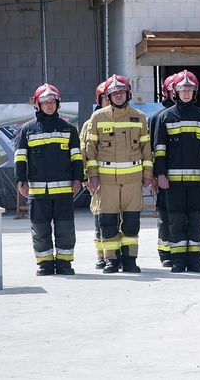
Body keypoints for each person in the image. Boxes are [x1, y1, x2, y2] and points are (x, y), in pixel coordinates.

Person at [85, 74, 153, 273]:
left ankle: (130, 259)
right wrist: (92, 175)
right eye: (115, 93)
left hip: (133, 179)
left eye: (122, 92)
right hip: (106, 181)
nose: (119, 96)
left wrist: (148, 173)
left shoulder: (139, 117)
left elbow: (146, 148)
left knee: (131, 222)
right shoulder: (98, 117)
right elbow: (90, 149)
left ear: (128, 93)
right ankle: (111, 260)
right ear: (108, 95)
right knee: (107, 221)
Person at [15, 84, 83, 276]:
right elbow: (20, 157)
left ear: (58, 103)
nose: (49, 105)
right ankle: (44, 264)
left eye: (52, 102)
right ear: (38, 105)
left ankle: (64, 263)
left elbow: (77, 157)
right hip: (38, 193)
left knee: (65, 229)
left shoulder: (68, 129)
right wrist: (21, 180)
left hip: (63, 192)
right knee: (40, 229)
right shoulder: (27, 130)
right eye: (45, 102)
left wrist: (78, 179)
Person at [154, 70, 200, 272]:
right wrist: (160, 174)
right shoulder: (165, 117)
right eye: (182, 89)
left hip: (198, 181)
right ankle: (179, 261)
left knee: (196, 220)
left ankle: (195, 260)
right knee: (176, 219)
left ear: (195, 92)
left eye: (190, 89)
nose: (187, 93)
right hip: (172, 182)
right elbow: (159, 150)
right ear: (175, 92)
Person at [79, 82, 110, 270]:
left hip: (122, 181)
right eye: (106, 97)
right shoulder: (90, 124)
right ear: (99, 100)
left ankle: (117, 255)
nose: (111, 100)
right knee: (100, 218)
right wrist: (85, 178)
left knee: (122, 219)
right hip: (99, 181)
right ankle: (102, 255)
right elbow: (83, 153)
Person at [147, 74, 177, 267]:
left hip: (186, 179)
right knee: (165, 216)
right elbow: (151, 150)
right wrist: (155, 176)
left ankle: (180, 252)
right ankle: (165, 253)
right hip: (164, 177)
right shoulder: (157, 117)